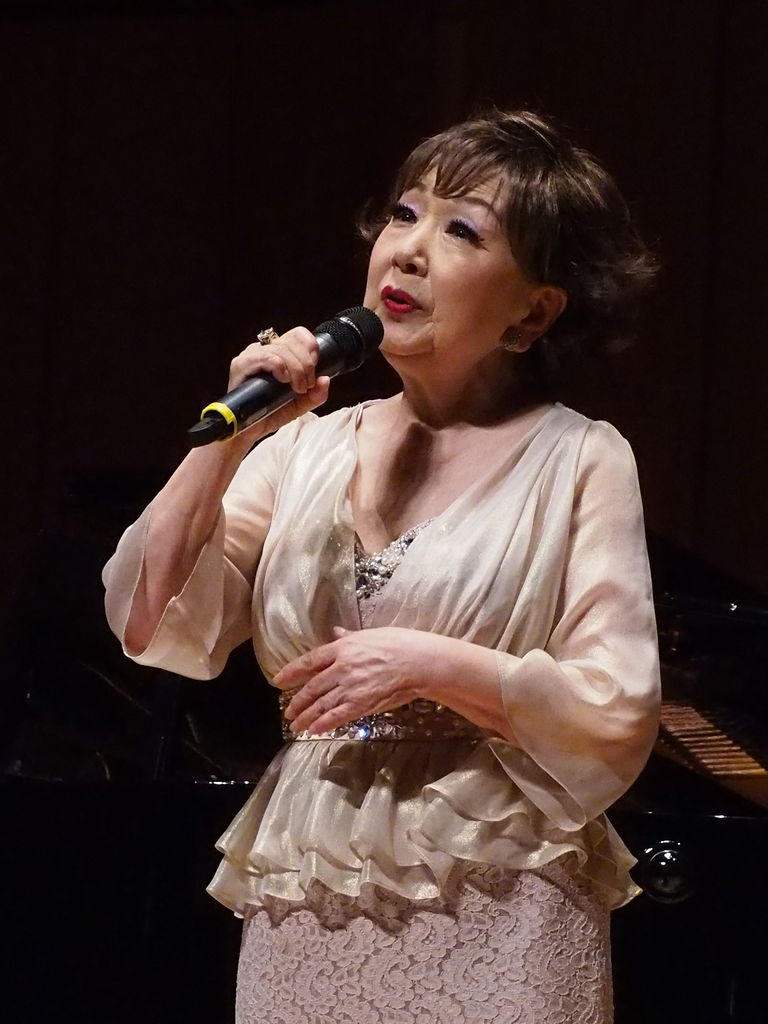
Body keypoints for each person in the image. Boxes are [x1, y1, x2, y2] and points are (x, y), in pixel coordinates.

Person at [103, 110, 660, 1023]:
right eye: (404, 214)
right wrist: (231, 439)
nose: (407, 250)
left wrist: (429, 663)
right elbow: (150, 620)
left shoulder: (580, 458)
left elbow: (617, 704)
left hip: (502, 887)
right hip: (309, 879)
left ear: (533, 311)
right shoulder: (302, 451)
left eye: (461, 230)